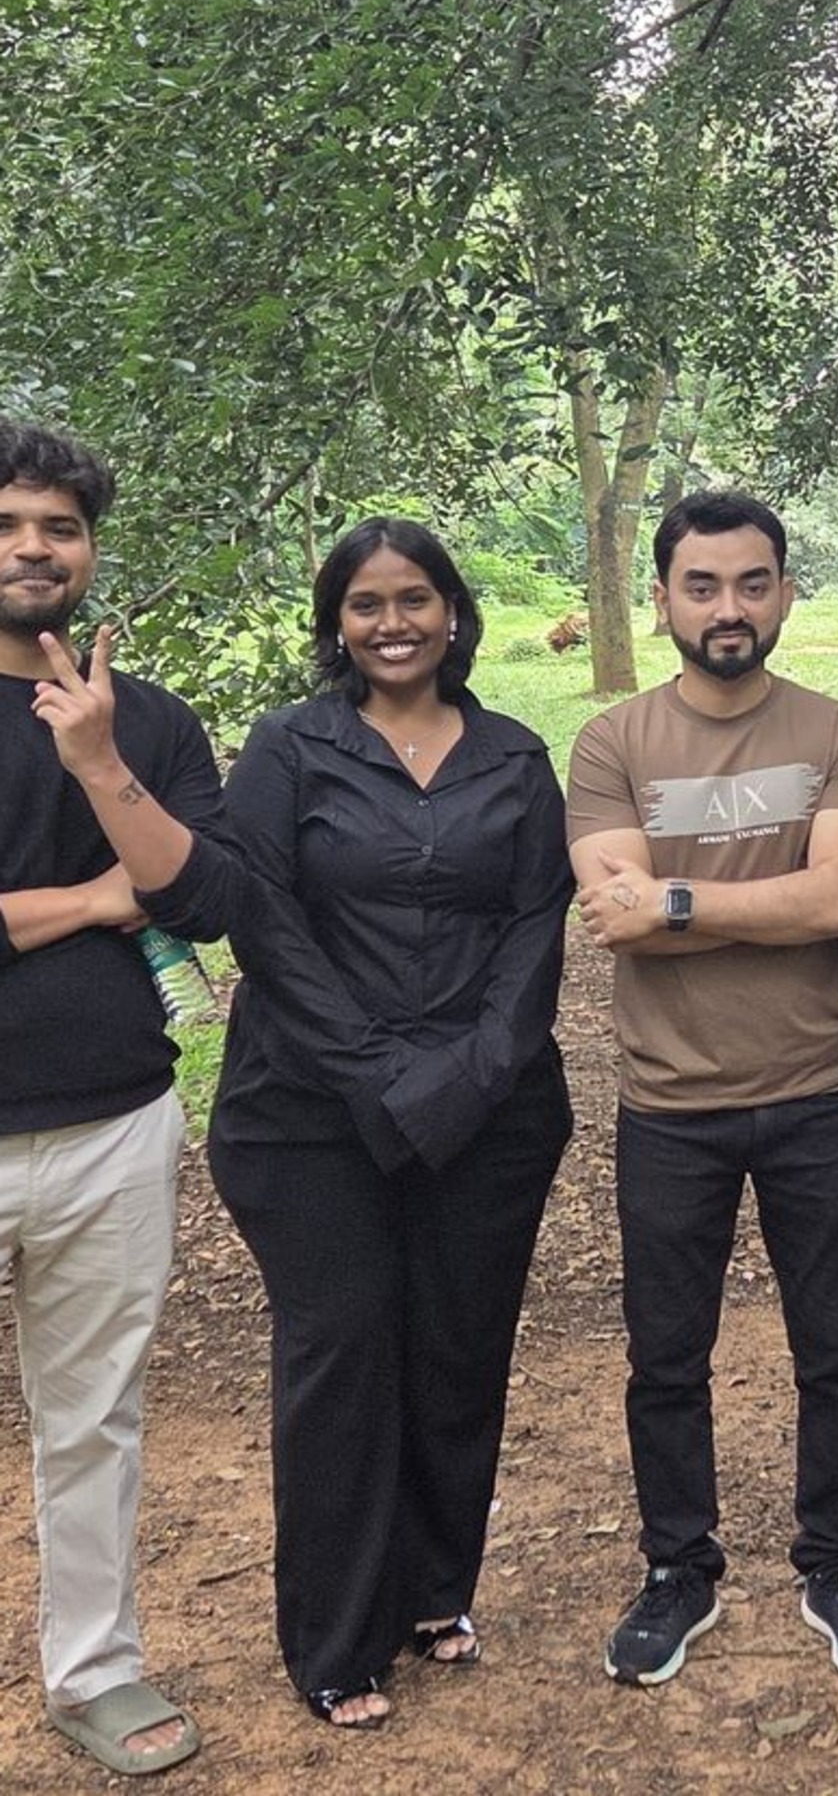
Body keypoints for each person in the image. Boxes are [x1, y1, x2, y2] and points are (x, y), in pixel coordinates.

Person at [208, 519, 573, 1729]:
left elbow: (536, 926)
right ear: (338, 624)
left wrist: (472, 1075)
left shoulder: (515, 757)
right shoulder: (289, 749)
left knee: (458, 1350)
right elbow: (264, 923)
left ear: (453, 613)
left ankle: (432, 1590)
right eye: (366, 604)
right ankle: (336, 1637)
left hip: (489, 1111)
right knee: (345, 1352)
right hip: (308, 1113)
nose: (393, 622)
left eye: (415, 598)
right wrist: (378, 1074)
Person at [567, 490, 838, 1688]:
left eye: (753, 584)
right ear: (661, 597)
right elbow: (614, 919)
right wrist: (758, 906)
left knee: (837, 1353)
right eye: (703, 586)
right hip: (670, 1106)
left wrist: (674, 900)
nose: (729, 608)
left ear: (785, 594)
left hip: (821, 1093)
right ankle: (679, 1567)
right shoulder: (613, 743)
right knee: (667, 1358)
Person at [1, 418, 237, 1776]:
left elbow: (201, 895)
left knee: (92, 1417)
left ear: (91, 550)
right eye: (8, 524)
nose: (35, 548)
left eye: (62, 527)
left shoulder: (145, 720)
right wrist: (94, 899)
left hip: (113, 1123)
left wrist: (98, 764)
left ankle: (93, 1669)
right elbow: (139, 890)